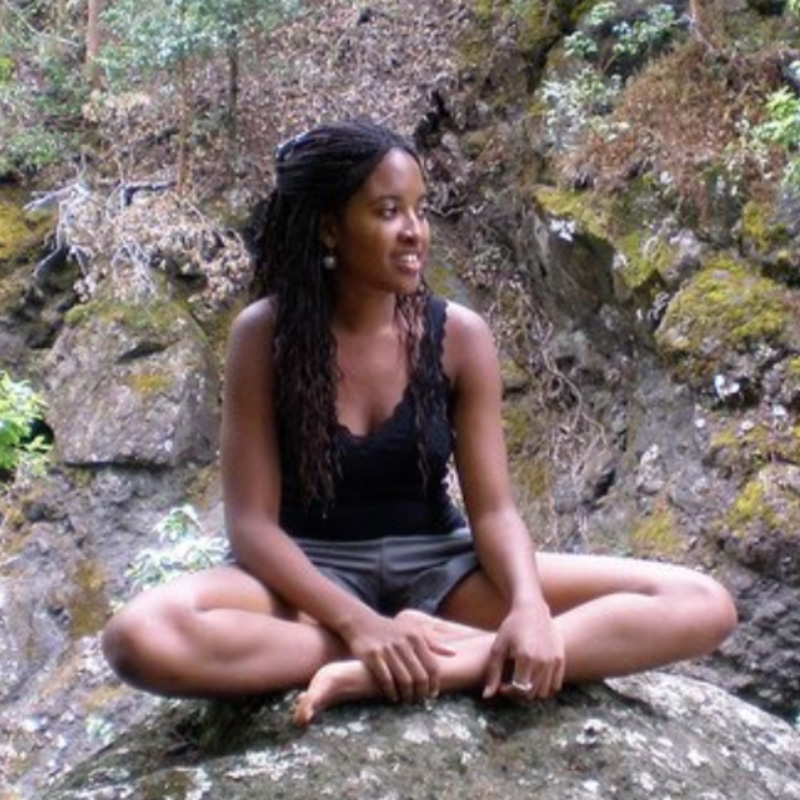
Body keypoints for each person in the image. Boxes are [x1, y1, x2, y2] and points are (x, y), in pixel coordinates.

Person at [101, 120, 737, 726]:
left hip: (444, 569)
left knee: (701, 603)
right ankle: (414, 652)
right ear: (330, 229)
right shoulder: (264, 335)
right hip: (308, 579)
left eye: (420, 210)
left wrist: (528, 605)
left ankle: (451, 664)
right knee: (139, 636)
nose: (414, 232)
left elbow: (494, 513)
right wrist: (360, 626)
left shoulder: (459, 336)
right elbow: (252, 528)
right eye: (388, 212)